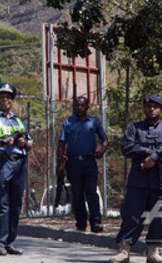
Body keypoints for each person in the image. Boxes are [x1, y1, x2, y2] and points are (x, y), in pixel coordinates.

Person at [110, 95, 162, 263]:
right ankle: (124, 250)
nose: (152, 109)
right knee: (132, 216)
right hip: (138, 181)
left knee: (160, 218)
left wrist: (154, 158)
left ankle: (154, 252)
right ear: (143, 109)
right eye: (148, 106)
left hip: (161, 181)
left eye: (156, 106)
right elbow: (127, 147)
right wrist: (148, 153)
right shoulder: (134, 128)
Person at [0, 82, 33, 256]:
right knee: (2, 204)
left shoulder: (18, 120)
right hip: (0, 163)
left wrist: (24, 143)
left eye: (8, 97)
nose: (6, 99)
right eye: (2, 96)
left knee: (16, 204)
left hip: (18, 164)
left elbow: (30, 142)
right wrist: (2, 141)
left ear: (12, 100)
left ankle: (10, 241)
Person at [57, 96, 108, 233]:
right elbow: (61, 144)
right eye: (77, 105)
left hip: (89, 162)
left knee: (91, 192)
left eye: (82, 105)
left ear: (87, 106)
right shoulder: (68, 122)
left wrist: (102, 151)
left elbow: (104, 138)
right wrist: (59, 164)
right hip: (73, 162)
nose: (79, 108)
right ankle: (80, 223)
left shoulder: (94, 122)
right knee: (77, 194)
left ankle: (96, 221)